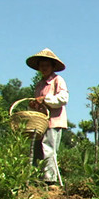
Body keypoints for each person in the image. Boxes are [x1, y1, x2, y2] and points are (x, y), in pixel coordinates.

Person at [26, 48, 69, 186]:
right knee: (37, 149)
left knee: (49, 149)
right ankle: (37, 179)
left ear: (52, 67)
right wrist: (34, 104)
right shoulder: (39, 84)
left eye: (47, 66)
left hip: (54, 121)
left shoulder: (58, 80)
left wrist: (45, 99)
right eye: (42, 66)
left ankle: (50, 180)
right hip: (41, 122)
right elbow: (38, 102)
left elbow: (63, 98)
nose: (44, 68)